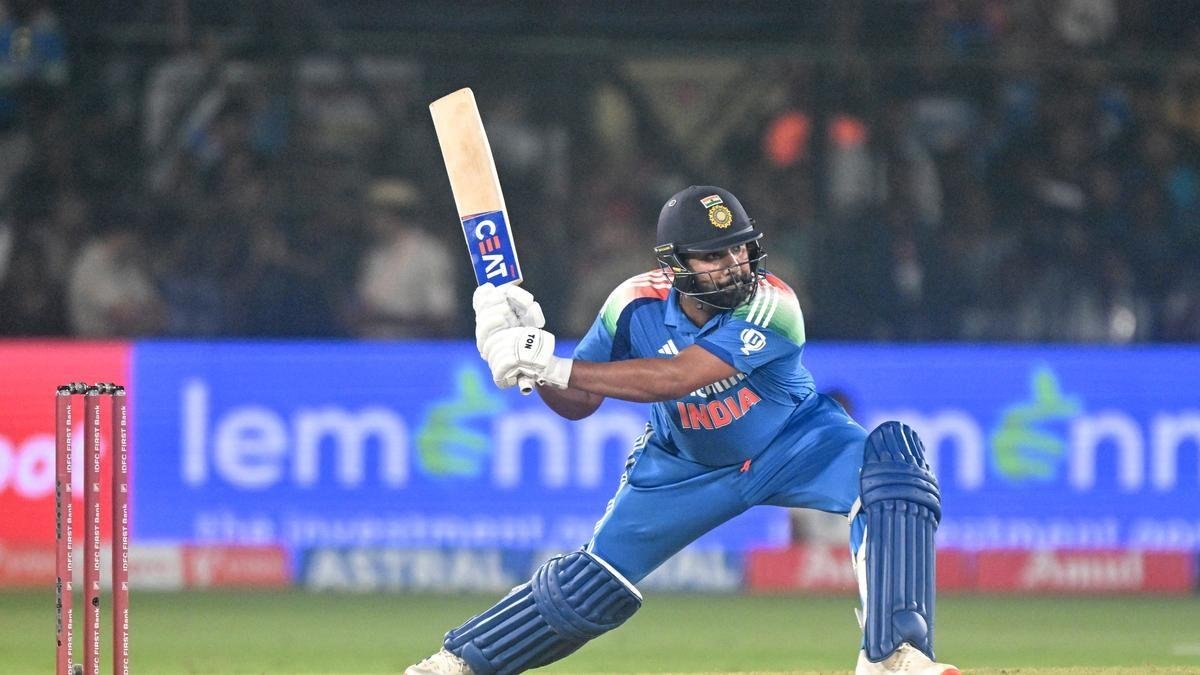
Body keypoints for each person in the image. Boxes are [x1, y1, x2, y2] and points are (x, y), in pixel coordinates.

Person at [406, 186, 958, 675]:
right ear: (675, 265)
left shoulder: (774, 303)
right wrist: (530, 357)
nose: (734, 264)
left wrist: (552, 362)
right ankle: (455, 663)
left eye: (740, 248)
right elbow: (579, 402)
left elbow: (677, 377)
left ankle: (895, 657)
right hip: (683, 465)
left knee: (893, 469)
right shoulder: (632, 305)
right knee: (590, 587)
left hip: (796, 442)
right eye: (713, 255)